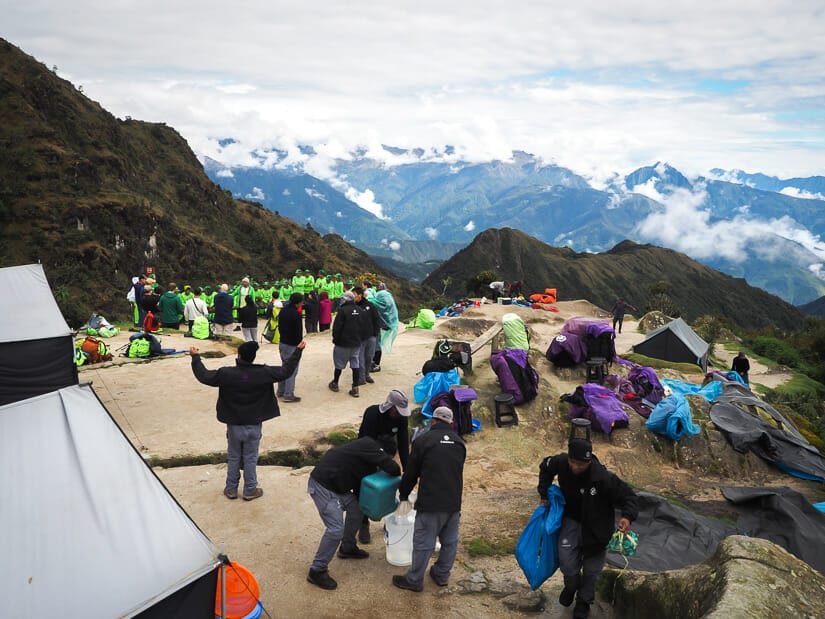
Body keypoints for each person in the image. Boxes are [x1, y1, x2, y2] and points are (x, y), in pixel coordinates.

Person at [190, 340, 305, 501]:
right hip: (254, 423)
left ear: (239, 356)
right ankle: (250, 489)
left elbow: (204, 376)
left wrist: (195, 357)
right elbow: (286, 371)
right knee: (251, 457)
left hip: (234, 424)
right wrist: (298, 351)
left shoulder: (226, 373)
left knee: (234, 456)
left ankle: (231, 489)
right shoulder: (264, 372)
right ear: (253, 356)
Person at [537, 437, 639, 618]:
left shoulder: (603, 478)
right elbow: (545, 468)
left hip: (598, 527)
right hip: (572, 520)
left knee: (592, 571)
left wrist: (626, 517)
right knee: (567, 562)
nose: (575, 467)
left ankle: (583, 602)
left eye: (580, 464)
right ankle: (571, 586)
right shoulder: (561, 462)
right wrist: (544, 492)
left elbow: (628, 496)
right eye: (572, 462)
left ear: (589, 461)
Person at [307, 435, 401, 590]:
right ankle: (317, 570)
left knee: (358, 510)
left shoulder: (365, 459)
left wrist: (371, 511)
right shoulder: (369, 445)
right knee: (335, 530)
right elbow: (394, 469)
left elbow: (360, 491)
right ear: (383, 452)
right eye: (387, 457)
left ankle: (347, 548)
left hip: (339, 487)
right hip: (323, 485)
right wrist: (386, 461)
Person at [392, 406, 466, 592]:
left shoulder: (423, 441)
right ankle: (441, 575)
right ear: (450, 423)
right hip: (453, 502)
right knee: (450, 541)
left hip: (431, 502)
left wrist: (403, 493)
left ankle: (414, 580)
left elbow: (411, 472)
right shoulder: (459, 443)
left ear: (433, 421)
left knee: (424, 542)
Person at [356, 389, 412, 544]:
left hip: (387, 451)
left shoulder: (401, 418)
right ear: (390, 406)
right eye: (397, 411)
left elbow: (403, 443)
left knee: (389, 486)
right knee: (367, 488)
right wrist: (383, 463)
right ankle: (363, 523)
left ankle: (388, 520)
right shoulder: (372, 414)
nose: (399, 414)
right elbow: (368, 444)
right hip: (366, 453)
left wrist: (407, 468)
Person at [328, 291, 362, 397]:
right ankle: (355, 387)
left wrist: (335, 339)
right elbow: (364, 326)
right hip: (356, 343)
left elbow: (337, 327)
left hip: (343, 343)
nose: (341, 300)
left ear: (346, 299)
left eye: (343, 298)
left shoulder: (342, 311)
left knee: (339, 364)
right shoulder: (360, 310)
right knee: (355, 364)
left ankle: (335, 383)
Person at [277, 292, 304, 403]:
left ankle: (280, 391)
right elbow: (298, 332)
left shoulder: (283, 311)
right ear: (298, 303)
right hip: (292, 345)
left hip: (283, 342)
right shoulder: (296, 315)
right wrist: (300, 344)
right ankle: (288, 394)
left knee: (284, 367)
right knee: (292, 370)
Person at [369, 282, 398, 371]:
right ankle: (374, 363)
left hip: (379, 324)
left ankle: (376, 364)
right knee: (377, 343)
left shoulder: (380, 295)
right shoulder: (388, 295)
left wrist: (369, 298)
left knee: (376, 344)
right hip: (387, 323)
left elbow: (375, 303)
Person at [354, 287, 379, 386]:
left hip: (371, 337)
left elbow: (376, 319)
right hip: (359, 338)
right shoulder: (353, 307)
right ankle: (361, 378)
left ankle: (367, 374)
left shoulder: (370, 305)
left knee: (369, 357)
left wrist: (375, 333)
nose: (353, 296)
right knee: (360, 358)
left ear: (360, 295)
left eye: (354, 294)